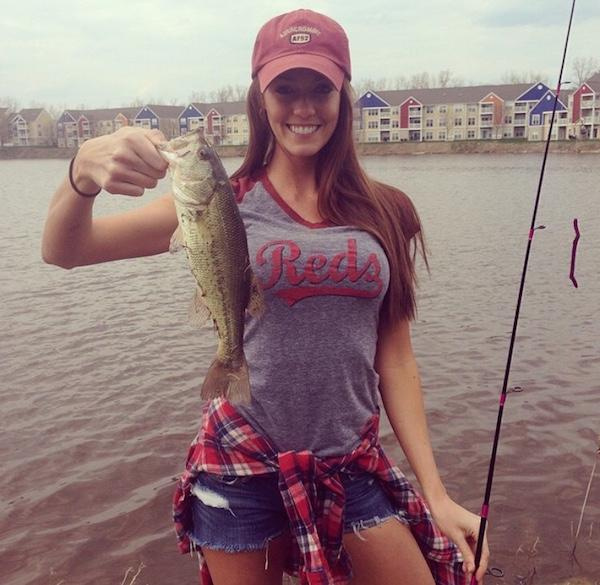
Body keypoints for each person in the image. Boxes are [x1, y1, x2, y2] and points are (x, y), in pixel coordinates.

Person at [42, 9, 489, 585]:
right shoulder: (219, 200)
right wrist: (81, 174)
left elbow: (397, 359)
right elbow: (66, 250)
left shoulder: (388, 210)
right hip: (239, 466)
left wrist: (437, 492)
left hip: (348, 464)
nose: (303, 108)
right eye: (285, 90)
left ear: (343, 96)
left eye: (320, 89)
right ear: (259, 99)